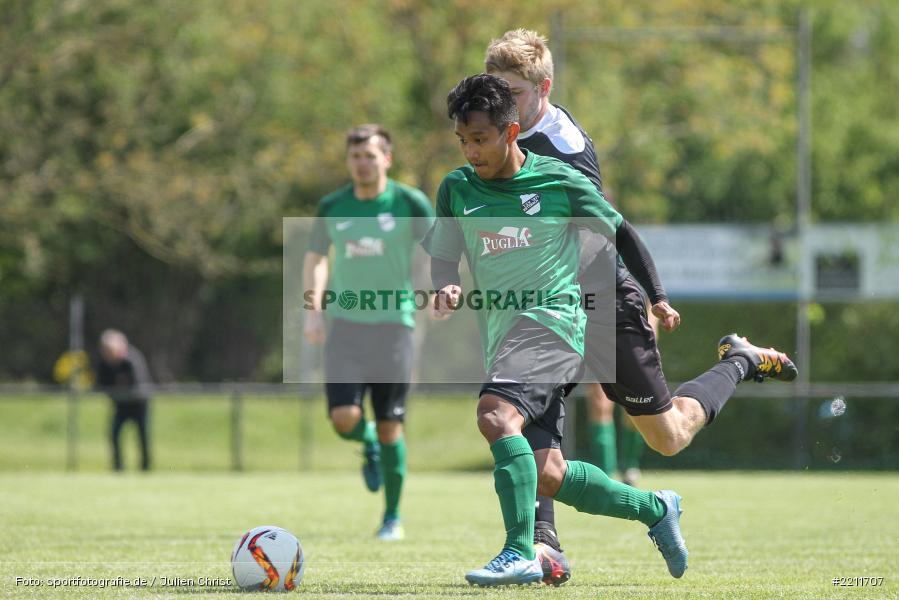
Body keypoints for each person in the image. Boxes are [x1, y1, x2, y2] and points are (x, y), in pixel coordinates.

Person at [484, 28, 798, 585]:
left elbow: (601, 235)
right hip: (548, 306)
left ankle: (741, 359)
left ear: (544, 88)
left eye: (514, 92)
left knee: (668, 435)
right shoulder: (495, 136)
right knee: (525, 422)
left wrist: (653, 296)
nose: (503, 102)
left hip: (602, 301)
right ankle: (540, 543)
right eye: (496, 89)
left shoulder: (561, 149)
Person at [423, 73, 691, 587]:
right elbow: (443, 254)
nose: (471, 151)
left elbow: (622, 234)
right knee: (549, 472)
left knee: (495, 415)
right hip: (505, 336)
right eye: (463, 141)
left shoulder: (558, 183)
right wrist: (445, 287)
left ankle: (518, 552)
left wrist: (656, 297)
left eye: (480, 139)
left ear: (511, 131)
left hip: (557, 324)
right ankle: (655, 509)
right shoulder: (457, 189)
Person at [303, 124, 434, 541]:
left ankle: (392, 518)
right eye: (355, 157)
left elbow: (438, 249)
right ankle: (369, 439)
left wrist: (435, 290)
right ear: (349, 161)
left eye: (370, 156)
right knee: (344, 419)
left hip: (395, 325)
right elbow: (317, 258)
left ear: (387, 159)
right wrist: (313, 309)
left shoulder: (409, 202)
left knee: (393, 425)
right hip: (346, 325)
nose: (362, 164)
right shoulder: (333, 205)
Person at [96, 329, 152, 471]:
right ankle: (118, 468)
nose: (108, 354)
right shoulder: (104, 364)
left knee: (143, 438)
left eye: (111, 350)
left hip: (139, 406)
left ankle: (145, 468)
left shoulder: (131, 360)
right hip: (121, 406)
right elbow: (101, 385)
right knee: (114, 435)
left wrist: (119, 390)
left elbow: (139, 385)